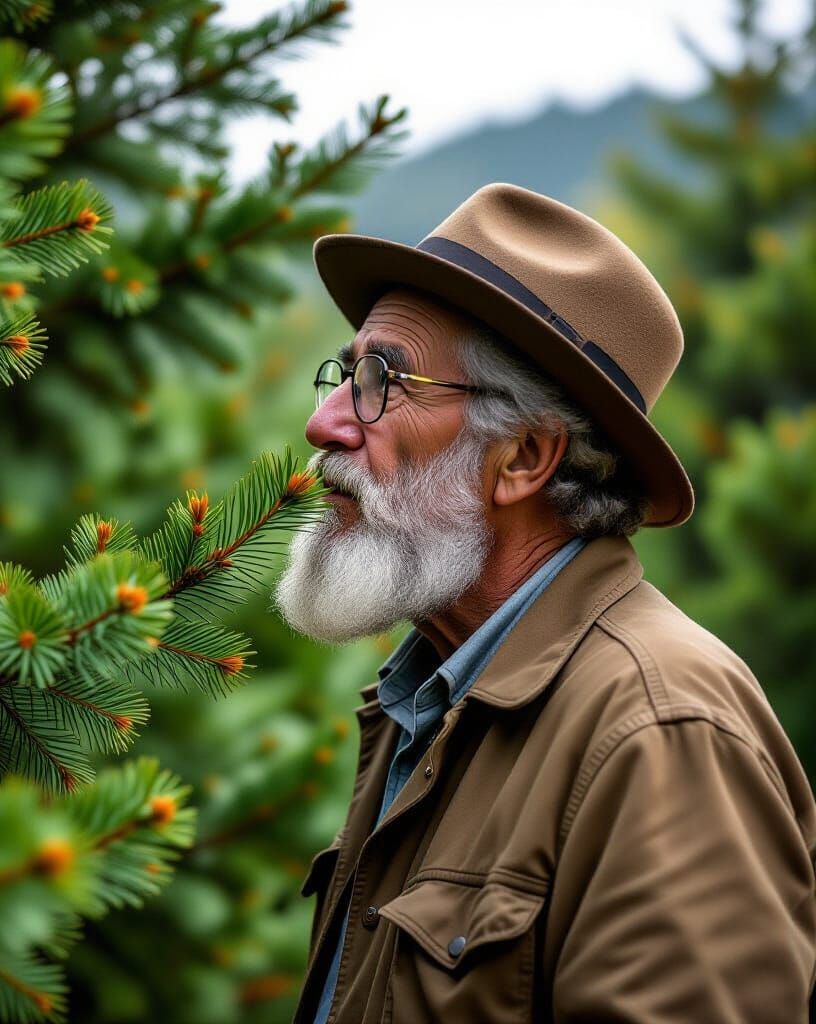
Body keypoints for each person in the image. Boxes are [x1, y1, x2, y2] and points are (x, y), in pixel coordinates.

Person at [274, 182, 816, 1024]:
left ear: (524, 458)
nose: (326, 423)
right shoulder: (430, 699)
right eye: (344, 373)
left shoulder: (660, 728)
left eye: (383, 379)